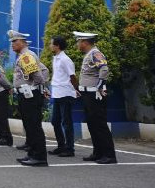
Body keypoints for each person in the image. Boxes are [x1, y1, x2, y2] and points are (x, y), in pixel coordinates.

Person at [74, 31, 117, 164]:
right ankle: (98, 152)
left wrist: (99, 85)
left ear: (85, 42)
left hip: (95, 95)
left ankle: (109, 155)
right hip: (88, 94)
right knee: (92, 125)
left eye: (78, 41)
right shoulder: (89, 54)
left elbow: (104, 69)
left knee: (99, 125)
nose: (77, 44)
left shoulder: (95, 53)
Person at [9, 30, 48, 167]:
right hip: (26, 94)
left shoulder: (27, 56)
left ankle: (39, 157)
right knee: (30, 126)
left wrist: (39, 87)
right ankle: (32, 154)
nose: (12, 44)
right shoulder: (24, 56)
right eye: (12, 42)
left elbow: (38, 75)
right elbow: (43, 70)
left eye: (15, 41)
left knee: (34, 126)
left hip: (30, 95)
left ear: (23, 42)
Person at [49, 36, 77, 157]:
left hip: (66, 93)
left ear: (57, 46)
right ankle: (61, 146)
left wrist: (76, 89)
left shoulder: (65, 59)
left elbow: (72, 76)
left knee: (66, 122)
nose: (50, 46)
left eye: (51, 44)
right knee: (55, 121)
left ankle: (70, 149)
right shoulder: (55, 58)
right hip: (57, 93)